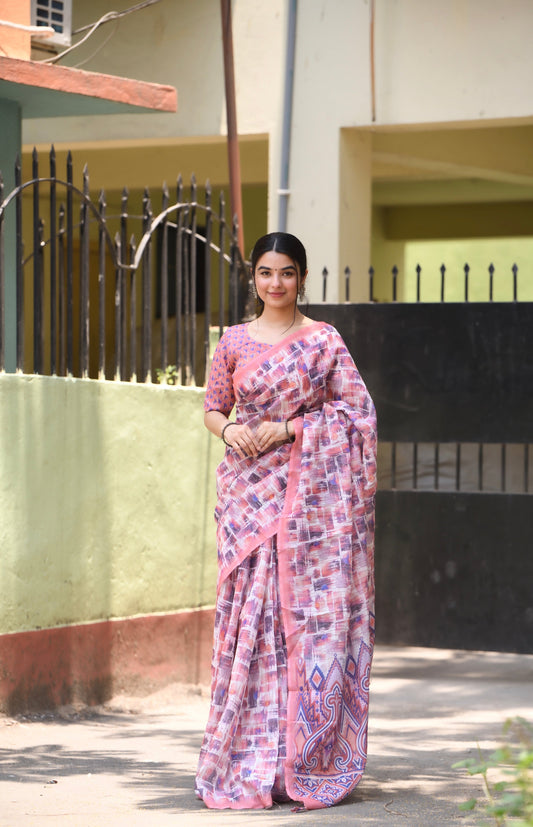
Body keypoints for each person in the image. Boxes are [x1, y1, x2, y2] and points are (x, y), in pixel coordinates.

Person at [195, 232, 377, 810]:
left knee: (300, 618)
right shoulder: (233, 342)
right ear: (253, 278)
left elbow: (358, 415)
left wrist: (289, 429)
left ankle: (303, 757)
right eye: (266, 273)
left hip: (309, 504)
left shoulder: (323, 341)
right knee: (252, 622)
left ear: (302, 277)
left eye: (288, 273)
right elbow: (212, 408)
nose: (276, 284)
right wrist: (229, 431)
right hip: (248, 494)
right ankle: (249, 758)